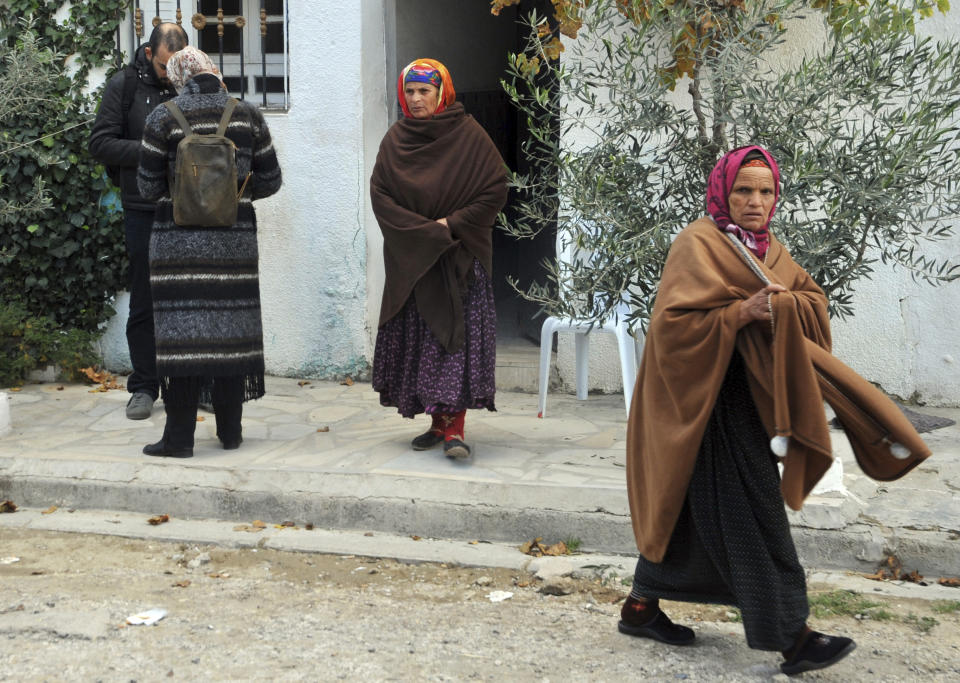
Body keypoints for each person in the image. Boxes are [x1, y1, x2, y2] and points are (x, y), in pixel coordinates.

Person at [621, 145, 931, 675]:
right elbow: (669, 331)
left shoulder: (771, 252)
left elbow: (812, 301)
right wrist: (741, 312)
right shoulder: (697, 243)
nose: (755, 201)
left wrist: (787, 305)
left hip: (748, 401)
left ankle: (641, 606)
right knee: (756, 516)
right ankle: (794, 636)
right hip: (705, 405)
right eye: (744, 190)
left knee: (690, 510)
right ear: (722, 191)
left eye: (766, 191)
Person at [136, 47, 282, 458]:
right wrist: (232, 194)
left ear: (179, 77)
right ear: (213, 71)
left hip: (176, 249)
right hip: (233, 246)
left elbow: (147, 188)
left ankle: (179, 438)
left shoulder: (162, 117)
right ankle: (230, 433)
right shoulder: (247, 115)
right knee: (229, 336)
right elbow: (270, 180)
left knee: (183, 341)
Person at [370, 59, 507, 459]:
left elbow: (494, 189)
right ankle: (436, 423)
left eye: (424, 91)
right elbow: (382, 197)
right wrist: (424, 233)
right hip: (415, 260)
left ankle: (455, 430)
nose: (415, 99)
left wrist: (451, 224)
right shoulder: (395, 140)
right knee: (425, 344)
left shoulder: (469, 135)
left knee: (454, 343)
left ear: (441, 92)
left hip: (458, 258)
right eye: (409, 91)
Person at [89, 22, 189, 420]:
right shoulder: (124, 85)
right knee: (145, 302)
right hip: (143, 209)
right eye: (167, 67)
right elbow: (101, 143)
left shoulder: (190, 80)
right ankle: (144, 387)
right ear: (149, 54)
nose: (172, 75)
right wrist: (154, 149)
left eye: (178, 66)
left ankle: (189, 384)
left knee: (188, 301)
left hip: (188, 208)